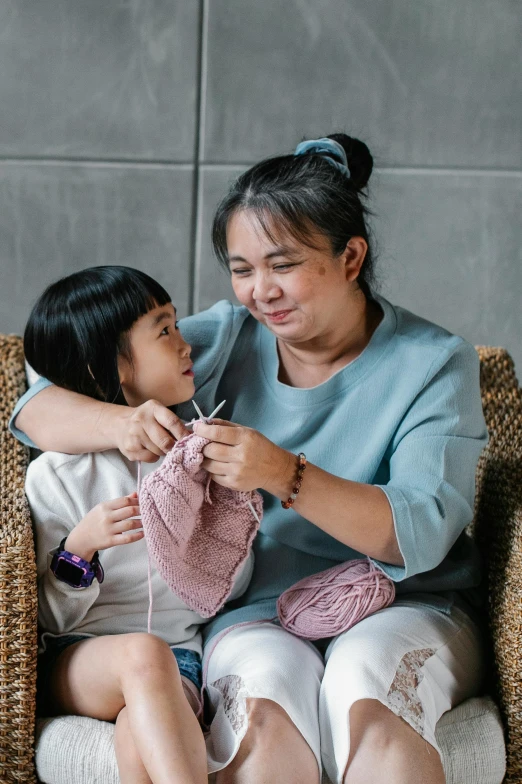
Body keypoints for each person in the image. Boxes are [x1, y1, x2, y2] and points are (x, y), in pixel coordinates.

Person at [12, 135, 488, 784]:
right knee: (261, 725)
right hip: (253, 614)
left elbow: (425, 531)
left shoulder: (433, 362)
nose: (260, 293)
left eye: (282, 264)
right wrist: (126, 422)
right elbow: (39, 403)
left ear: (350, 257)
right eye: (241, 269)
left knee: (369, 698)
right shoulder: (230, 336)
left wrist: (283, 474)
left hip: (401, 602)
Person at [21, 266, 252, 784]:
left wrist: (214, 527)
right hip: (77, 660)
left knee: (137, 736)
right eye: (165, 330)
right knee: (142, 655)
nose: (187, 343)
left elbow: (224, 591)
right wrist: (80, 549)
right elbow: (50, 620)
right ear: (108, 364)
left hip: (180, 667)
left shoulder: (197, 458)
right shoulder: (56, 474)